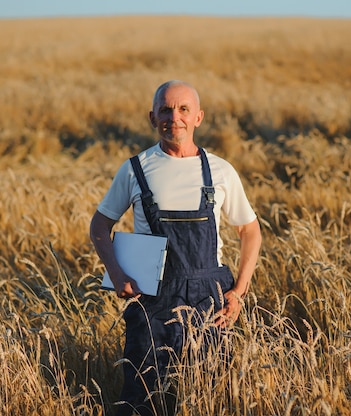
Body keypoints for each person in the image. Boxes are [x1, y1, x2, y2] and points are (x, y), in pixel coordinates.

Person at [90, 80, 262, 416]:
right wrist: (116, 272)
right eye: (166, 109)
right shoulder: (135, 169)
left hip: (209, 299)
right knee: (142, 396)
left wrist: (239, 292)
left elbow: (250, 231)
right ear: (152, 117)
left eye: (183, 109)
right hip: (152, 300)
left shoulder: (220, 171)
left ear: (198, 117)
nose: (175, 117)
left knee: (213, 395)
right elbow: (99, 226)